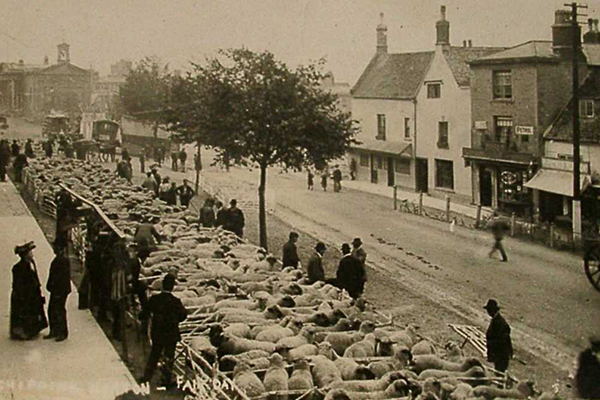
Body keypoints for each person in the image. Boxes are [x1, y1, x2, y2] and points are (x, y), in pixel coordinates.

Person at [139, 274, 188, 386]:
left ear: (162, 285)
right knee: (169, 357)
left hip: (158, 332)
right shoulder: (176, 301)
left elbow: (145, 313)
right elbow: (183, 315)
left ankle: (147, 377)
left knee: (154, 355)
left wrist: (141, 316)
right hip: (171, 333)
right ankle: (166, 380)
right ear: (172, 287)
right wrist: (174, 321)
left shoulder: (155, 299)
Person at [10, 241, 48, 340]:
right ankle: (25, 330)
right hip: (25, 295)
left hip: (28, 295)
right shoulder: (21, 267)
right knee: (26, 312)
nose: (32, 254)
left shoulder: (28, 265)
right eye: (30, 253)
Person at [45, 241, 71, 342]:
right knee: (53, 309)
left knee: (58, 310)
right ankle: (55, 331)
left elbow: (61, 278)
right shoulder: (61, 259)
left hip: (59, 291)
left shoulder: (62, 260)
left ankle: (61, 332)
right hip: (57, 290)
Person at [484, 299, 513, 373]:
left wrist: (491, 344)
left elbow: (502, 339)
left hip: (501, 354)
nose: (488, 312)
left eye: (489, 310)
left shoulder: (499, 321)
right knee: (498, 371)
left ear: (492, 310)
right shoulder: (496, 320)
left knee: (499, 372)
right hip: (499, 353)